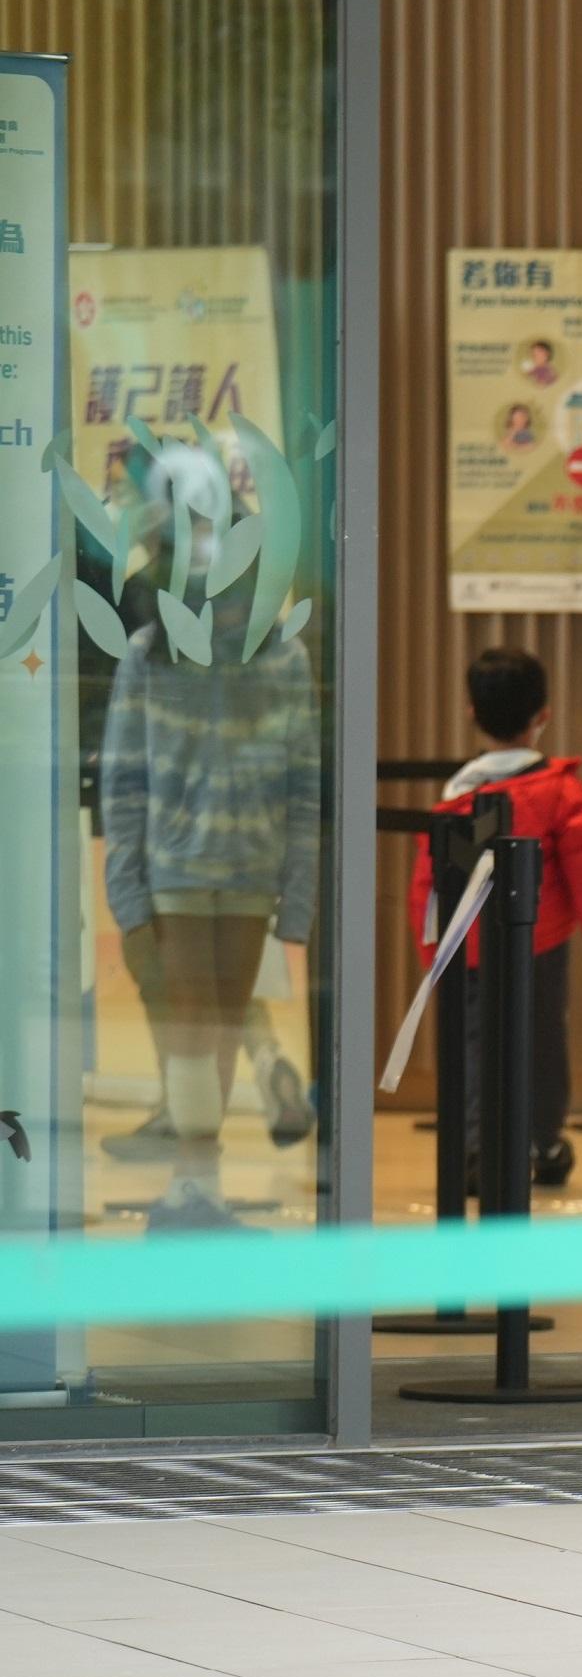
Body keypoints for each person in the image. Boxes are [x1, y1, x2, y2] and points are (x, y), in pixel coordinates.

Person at [96, 448, 317, 1232]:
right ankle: (198, 1188)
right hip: (199, 868)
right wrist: (127, 887)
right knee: (207, 1026)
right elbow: (126, 778)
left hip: (213, 867)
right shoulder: (153, 652)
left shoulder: (277, 658)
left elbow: (303, 786)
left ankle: (200, 1190)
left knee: (205, 1028)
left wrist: (299, 900)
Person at [403, 646, 582, 1192]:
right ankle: (544, 1142)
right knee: (543, 1039)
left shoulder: (456, 796)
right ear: (542, 716)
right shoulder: (560, 791)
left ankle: (477, 1150)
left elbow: (427, 881)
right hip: (538, 943)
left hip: (468, 947)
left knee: (475, 1044)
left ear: (471, 713)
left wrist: (432, 952)